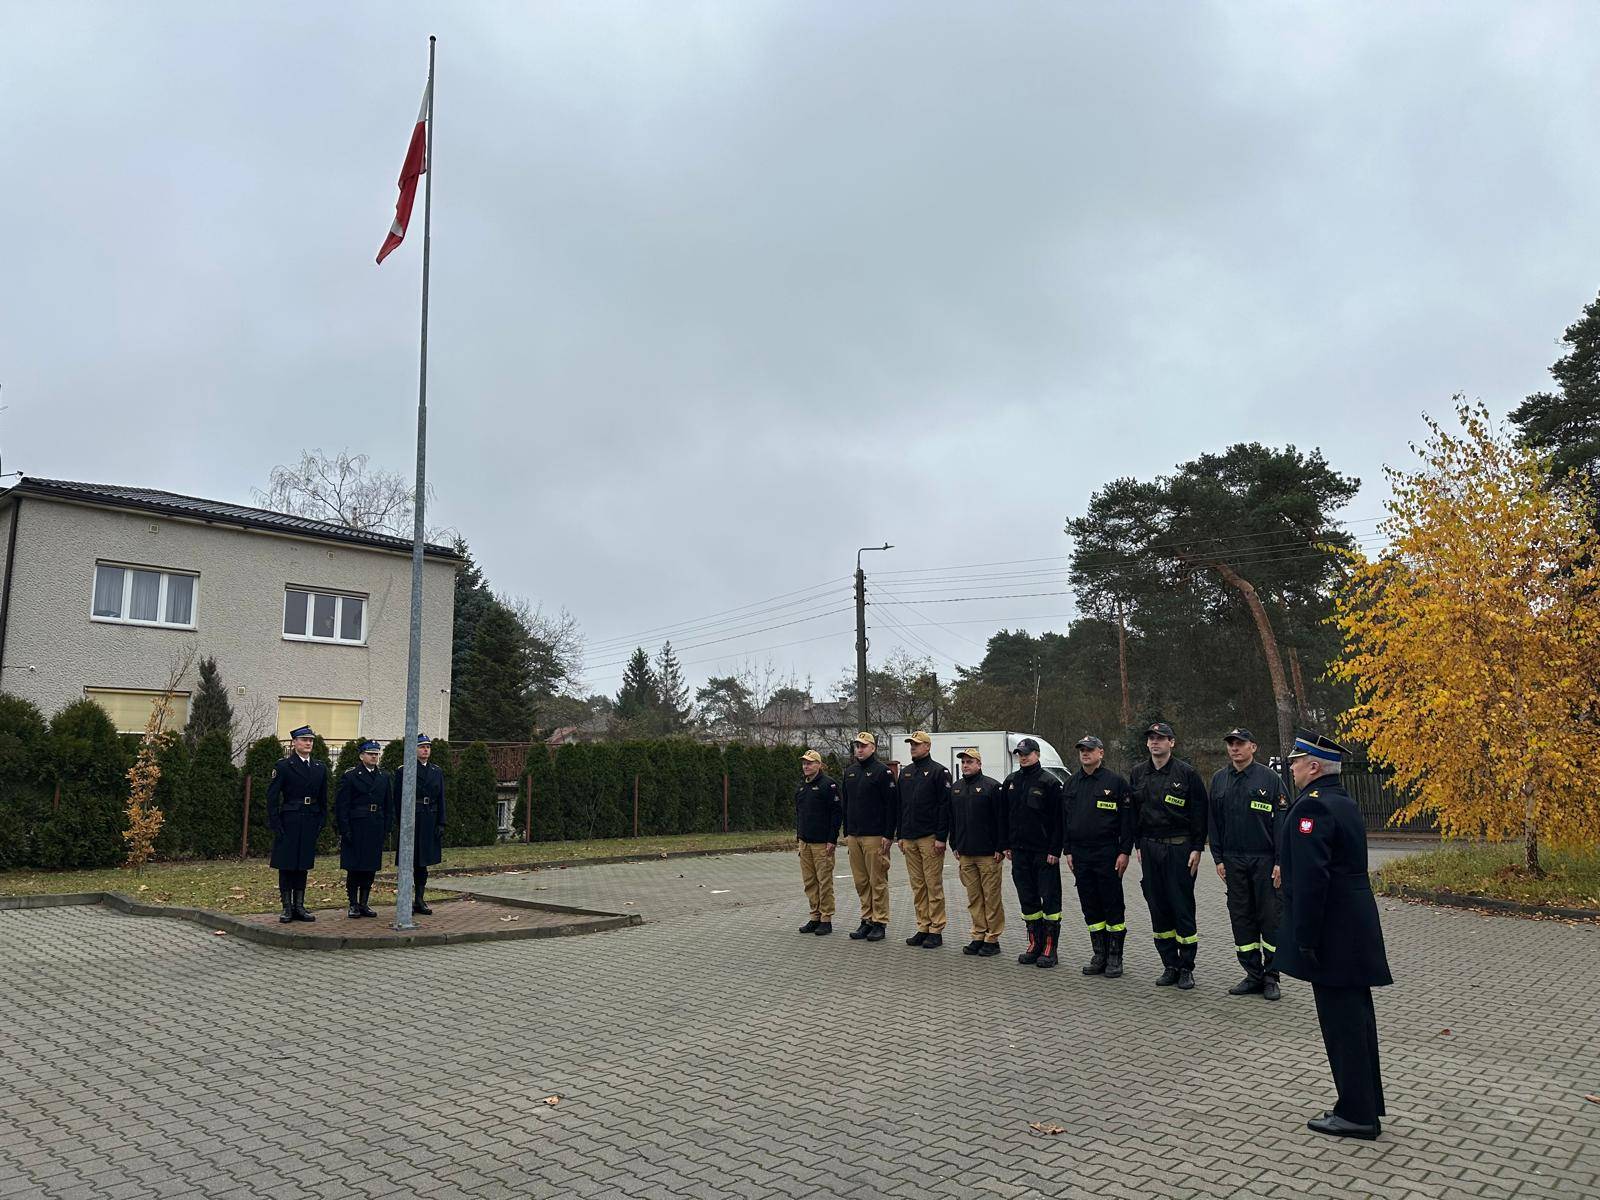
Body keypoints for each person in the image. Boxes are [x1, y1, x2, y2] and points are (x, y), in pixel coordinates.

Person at [1276, 730, 1393, 1141]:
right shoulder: (1341, 801)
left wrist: (1305, 938)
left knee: (1343, 1028)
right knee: (1356, 1023)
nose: (1291, 768)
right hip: (1351, 931)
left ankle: (1357, 1115)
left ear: (1313, 767)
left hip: (1332, 936)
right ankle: (1363, 1106)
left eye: (1295, 762)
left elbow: (1312, 880)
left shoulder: (1314, 807)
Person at [1208, 727, 1290, 1000]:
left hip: (1264, 860)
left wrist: (1280, 861)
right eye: (1231, 743)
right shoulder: (1219, 780)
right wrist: (1218, 858)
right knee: (1241, 918)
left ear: (1253, 747)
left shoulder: (1270, 779)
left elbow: (1282, 822)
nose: (1234, 748)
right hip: (1233, 860)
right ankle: (1253, 975)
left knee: (1270, 918)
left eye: (1240, 743)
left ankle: (1271, 977)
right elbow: (1214, 823)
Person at [1129, 721, 1209, 989]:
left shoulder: (1187, 773)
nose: (1155, 742)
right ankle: (1169, 965)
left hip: (1179, 848)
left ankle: (1186, 967)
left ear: (1171, 743)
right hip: (1150, 848)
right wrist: (1138, 845)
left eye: (1161, 738)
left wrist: (1197, 847)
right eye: (1151, 738)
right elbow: (1134, 814)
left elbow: (1199, 813)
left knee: (1181, 907)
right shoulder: (1138, 773)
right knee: (1158, 907)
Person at [1062, 735, 1134, 978]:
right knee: (1090, 905)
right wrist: (1068, 850)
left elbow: (1127, 821)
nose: (1085, 753)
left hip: (1107, 853)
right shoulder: (1071, 783)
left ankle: (1115, 956)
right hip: (1080, 854)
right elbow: (1065, 821)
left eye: (1090, 750)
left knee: (1112, 904)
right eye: (1082, 750)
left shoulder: (1115, 782)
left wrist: (1124, 851)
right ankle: (1099, 954)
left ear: (1101, 753)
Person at [1000, 737, 1066, 968]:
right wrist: (1006, 844)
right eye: (1020, 754)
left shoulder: (1049, 782)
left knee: (1050, 900)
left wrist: (1055, 849)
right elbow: (1004, 816)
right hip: (1019, 852)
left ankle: (1050, 948)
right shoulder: (1011, 781)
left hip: (1044, 853)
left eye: (1027, 753)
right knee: (1027, 900)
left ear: (1037, 754)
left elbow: (1059, 820)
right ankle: (1034, 944)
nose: (1023, 757)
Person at [894, 730, 952, 949]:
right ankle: (923, 926)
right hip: (909, 837)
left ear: (927, 746)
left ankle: (936, 929)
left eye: (917, 744)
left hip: (929, 837)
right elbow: (901, 806)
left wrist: (941, 837)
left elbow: (945, 806)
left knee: (932, 884)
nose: (913, 747)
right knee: (918, 886)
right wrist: (900, 835)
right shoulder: (906, 773)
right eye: (911, 744)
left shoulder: (939, 772)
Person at [266, 726, 328, 924]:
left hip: (310, 819)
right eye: (304, 740)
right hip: (290, 820)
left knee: (302, 865)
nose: (308, 743)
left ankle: (299, 906)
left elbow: (324, 798)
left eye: (311, 740)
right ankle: (287, 907)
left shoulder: (319, 767)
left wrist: (321, 820)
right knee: (287, 864)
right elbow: (272, 797)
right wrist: (276, 823)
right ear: (294, 743)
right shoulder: (284, 766)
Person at [948, 747, 1004, 957]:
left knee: (991, 898)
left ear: (979, 764)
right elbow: (952, 819)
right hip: (965, 852)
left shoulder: (992, 787)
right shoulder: (956, 788)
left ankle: (992, 938)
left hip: (988, 854)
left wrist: (1000, 846)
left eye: (970, 762)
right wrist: (954, 844)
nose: (965, 765)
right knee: (974, 898)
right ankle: (978, 934)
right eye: (963, 762)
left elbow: (1001, 819)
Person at [841, 732, 894, 942]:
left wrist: (888, 834)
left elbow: (891, 805)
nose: (859, 749)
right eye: (857, 746)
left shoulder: (883, 772)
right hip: (854, 835)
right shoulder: (850, 772)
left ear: (873, 748)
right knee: (861, 881)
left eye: (863, 746)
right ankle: (867, 919)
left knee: (877, 880)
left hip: (875, 835)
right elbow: (845, 804)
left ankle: (880, 922)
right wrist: (846, 832)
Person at [336, 740, 393, 918]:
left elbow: (388, 804)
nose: (374, 757)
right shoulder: (351, 776)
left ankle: (364, 903)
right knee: (354, 867)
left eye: (376, 754)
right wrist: (344, 829)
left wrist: (387, 826)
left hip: (375, 825)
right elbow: (342, 805)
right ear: (362, 756)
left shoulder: (384, 776)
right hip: (356, 825)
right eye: (370, 754)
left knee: (370, 867)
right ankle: (353, 904)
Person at [394, 733, 446, 915]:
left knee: (423, 863)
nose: (425, 750)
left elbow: (441, 798)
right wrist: (401, 823)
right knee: (408, 862)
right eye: (422, 747)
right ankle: (406, 900)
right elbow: (397, 799)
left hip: (429, 819)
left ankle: (419, 899)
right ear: (413, 749)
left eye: (428, 747)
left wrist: (441, 822)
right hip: (412, 819)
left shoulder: (436, 771)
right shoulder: (404, 770)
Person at [794, 749, 843, 935]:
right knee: (810, 882)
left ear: (819, 765)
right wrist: (799, 837)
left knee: (824, 882)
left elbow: (836, 813)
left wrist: (832, 839)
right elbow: (799, 814)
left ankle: (826, 918)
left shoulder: (828, 785)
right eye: (804, 763)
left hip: (822, 843)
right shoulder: (802, 786)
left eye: (810, 763)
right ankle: (814, 916)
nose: (806, 766)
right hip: (805, 842)